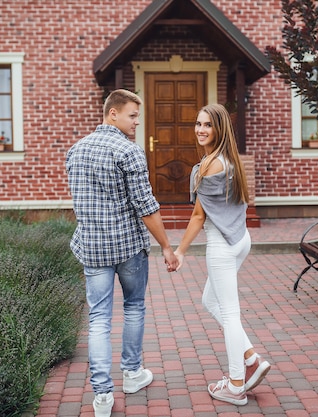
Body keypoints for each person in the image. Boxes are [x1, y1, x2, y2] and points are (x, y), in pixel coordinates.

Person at [65, 89, 179, 417]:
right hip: (128, 247)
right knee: (134, 306)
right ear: (112, 113)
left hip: (93, 247)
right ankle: (131, 374)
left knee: (98, 318)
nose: (136, 122)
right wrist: (167, 248)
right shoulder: (129, 151)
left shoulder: (75, 150)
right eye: (132, 115)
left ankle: (102, 396)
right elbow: (146, 205)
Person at [174, 103, 271, 406]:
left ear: (219, 129)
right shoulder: (229, 159)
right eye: (198, 123)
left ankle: (236, 385)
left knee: (229, 314)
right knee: (209, 300)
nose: (201, 129)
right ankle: (252, 358)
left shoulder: (209, 164)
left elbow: (198, 217)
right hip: (240, 239)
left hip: (222, 246)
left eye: (207, 125)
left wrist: (179, 251)